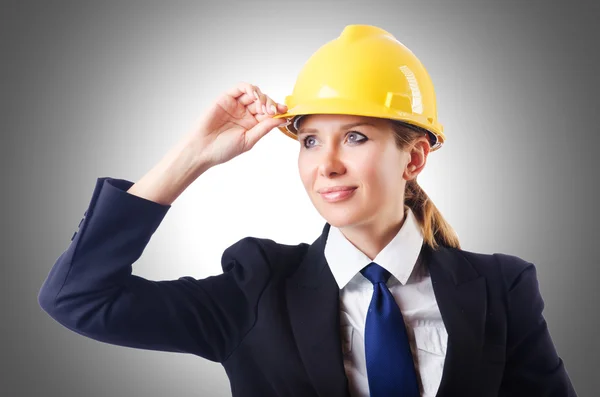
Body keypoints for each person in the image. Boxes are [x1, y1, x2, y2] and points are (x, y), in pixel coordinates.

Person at [38, 25, 577, 397]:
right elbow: (78, 298)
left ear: (413, 157)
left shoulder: (501, 287)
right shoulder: (257, 285)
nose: (328, 165)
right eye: (311, 141)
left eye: (357, 137)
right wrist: (192, 157)